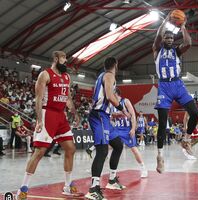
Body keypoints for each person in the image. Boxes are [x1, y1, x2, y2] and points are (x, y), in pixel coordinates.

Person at [16, 51, 81, 200]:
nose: (66, 61)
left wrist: (75, 113)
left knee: (70, 148)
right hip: (47, 113)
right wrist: (39, 120)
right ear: (57, 59)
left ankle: (67, 186)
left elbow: (68, 98)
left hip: (61, 115)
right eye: (64, 58)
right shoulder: (45, 74)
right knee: (39, 152)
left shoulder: (66, 77)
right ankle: (23, 189)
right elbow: (38, 99)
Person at [152, 13, 198, 173]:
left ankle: (186, 140)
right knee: (162, 124)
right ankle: (160, 157)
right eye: (167, 38)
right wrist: (165, 22)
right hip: (164, 87)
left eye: (172, 38)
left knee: (195, 113)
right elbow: (158, 35)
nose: (170, 40)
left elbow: (188, 42)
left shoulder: (177, 51)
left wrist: (183, 27)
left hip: (178, 84)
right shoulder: (157, 49)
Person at [85, 57, 129, 200]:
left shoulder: (102, 76)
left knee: (117, 145)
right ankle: (93, 188)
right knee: (102, 151)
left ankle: (112, 180)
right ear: (116, 65)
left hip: (104, 116)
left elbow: (106, 96)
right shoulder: (109, 76)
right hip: (99, 115)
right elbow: (110, 96)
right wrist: (122, 109)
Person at [111, 97, 148, 178]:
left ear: (115, 94)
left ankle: (143, 167)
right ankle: (111, 171)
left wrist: (133, 128)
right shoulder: (112, 103)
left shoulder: (125, 101)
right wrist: (114, 115)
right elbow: (111, 117)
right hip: (117, 129)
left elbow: (133, 115)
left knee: (133, 149)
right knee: (107, 145)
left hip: (126, 130)